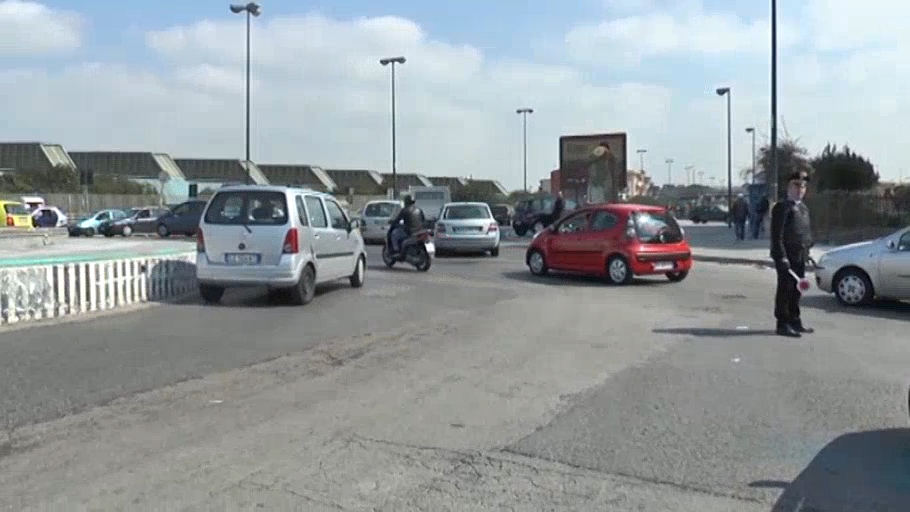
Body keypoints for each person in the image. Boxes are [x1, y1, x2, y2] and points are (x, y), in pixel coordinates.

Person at [770, 171, 814, 337]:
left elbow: (805, 232)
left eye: (803, 186)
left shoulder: (803, 208)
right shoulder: (782, 207)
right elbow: (777, 235)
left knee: (797, 290)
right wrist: (781, 256)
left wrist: (808, 251)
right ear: (789, 186)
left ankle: (795, 320)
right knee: (785, 289)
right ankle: (782, 323)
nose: (800, 189)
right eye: (796, 185)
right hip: (787, 256)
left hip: (800, 255)